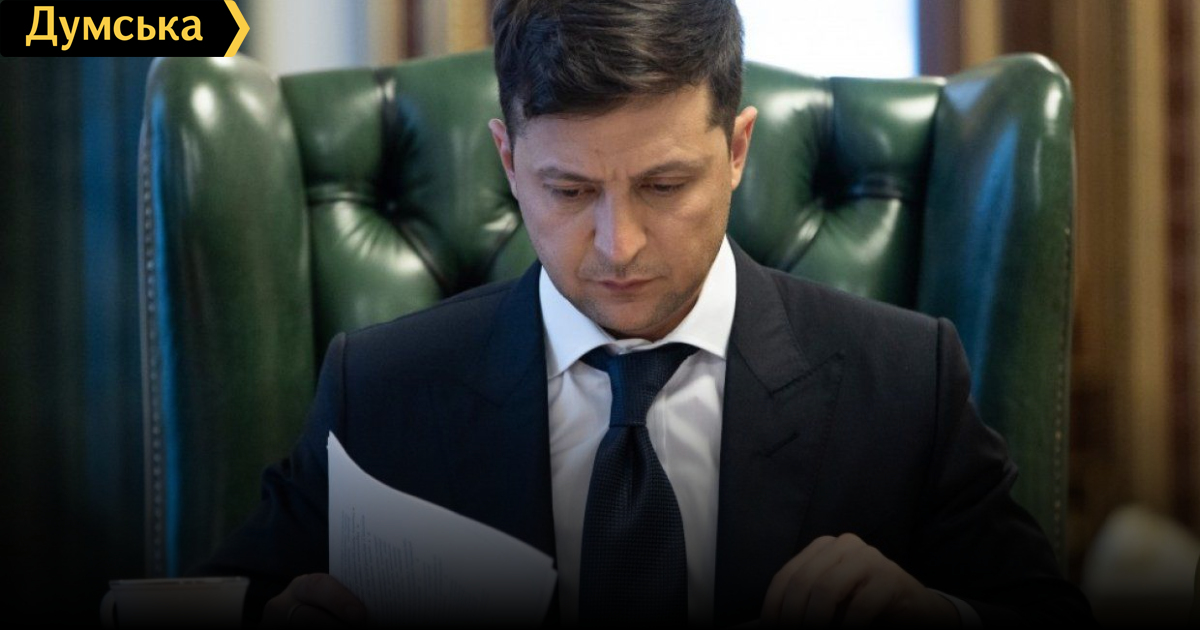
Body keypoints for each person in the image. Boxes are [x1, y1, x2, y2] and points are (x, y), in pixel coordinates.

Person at [190, 0, 1097, 626]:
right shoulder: (380, 388)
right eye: (569, 189)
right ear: (508, 162)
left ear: (737, 149)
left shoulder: (903, 380)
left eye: (664, 185)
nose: (617, 245)